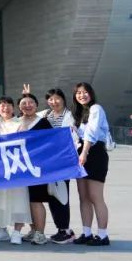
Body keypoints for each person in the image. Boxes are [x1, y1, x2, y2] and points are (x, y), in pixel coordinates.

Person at [71, 82, 111, 246]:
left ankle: (102, 235)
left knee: (96, 196)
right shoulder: (79, 113)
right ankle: (86, 233)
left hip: (94, 153)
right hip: (81, 153)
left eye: (85, 92)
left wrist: (85, 153)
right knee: (84, 197)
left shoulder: (96, 109)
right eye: (78, 93)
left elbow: (92, 132)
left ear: (91, 93)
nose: (82, 95)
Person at [0, 96, 30, 244]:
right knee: (0, 199)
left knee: (19, 199)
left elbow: (24, 141)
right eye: (2, 106)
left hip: (17, 166)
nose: (5, 108)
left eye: (8, 105)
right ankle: (2, 230)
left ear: (13, 108)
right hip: (1, 168)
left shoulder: (20, 122)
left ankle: (17, 232)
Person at [42, 88, 77, 243]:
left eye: (57, 98)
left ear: (63, 99)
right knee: (52, 195)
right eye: (50, 99)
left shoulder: (69, 116)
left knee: (61, 195)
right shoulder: (46, 115)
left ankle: (65, 230)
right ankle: (61, 229)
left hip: (62, 162)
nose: (54, 102)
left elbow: (71, 137)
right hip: (49, 162)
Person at [17, 92, 53, 245]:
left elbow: (51, 142)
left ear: (37, 105)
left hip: (38, 167)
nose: (27, 106)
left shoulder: (43, 122)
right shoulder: (17, 121)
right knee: (27, 200)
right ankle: (33, 230)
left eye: (31, 102)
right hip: (20, 167)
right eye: (23, 104)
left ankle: (40, 233)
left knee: (36, 199)